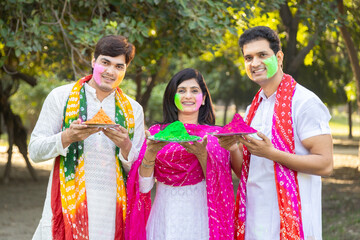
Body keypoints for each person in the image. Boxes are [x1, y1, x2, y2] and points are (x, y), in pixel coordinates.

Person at [219, 26, 333, 240]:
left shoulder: (304, 102)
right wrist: (233, 147)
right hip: (254, 220)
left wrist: (272, 153)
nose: (254, 63)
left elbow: (326, 164)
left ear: (279, 57)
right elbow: (247, 171)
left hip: (293, 220)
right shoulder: (253, 109)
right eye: (248, 57)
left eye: (262, 55)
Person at [29, 35, 145, 240]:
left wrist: (126, 145)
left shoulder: (133, 110)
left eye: (119, 66)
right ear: (94, 61)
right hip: (66, 208)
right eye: (105, 62)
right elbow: (35, 151)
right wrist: (66, 137)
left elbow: (141, 172)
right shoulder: (62, 97)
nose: (111, 71)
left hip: (111, 214)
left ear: (125, 70)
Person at [125, 68, 235, 240]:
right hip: (163, 218)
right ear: (172, 98)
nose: (188, 96)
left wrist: (202, 155)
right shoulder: (157, 134)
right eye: (181, 91)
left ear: (204, 98)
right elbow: (144, 187)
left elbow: (219, 186)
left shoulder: (215, 137)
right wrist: (151, 152)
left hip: (200, 220)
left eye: (194, 91)